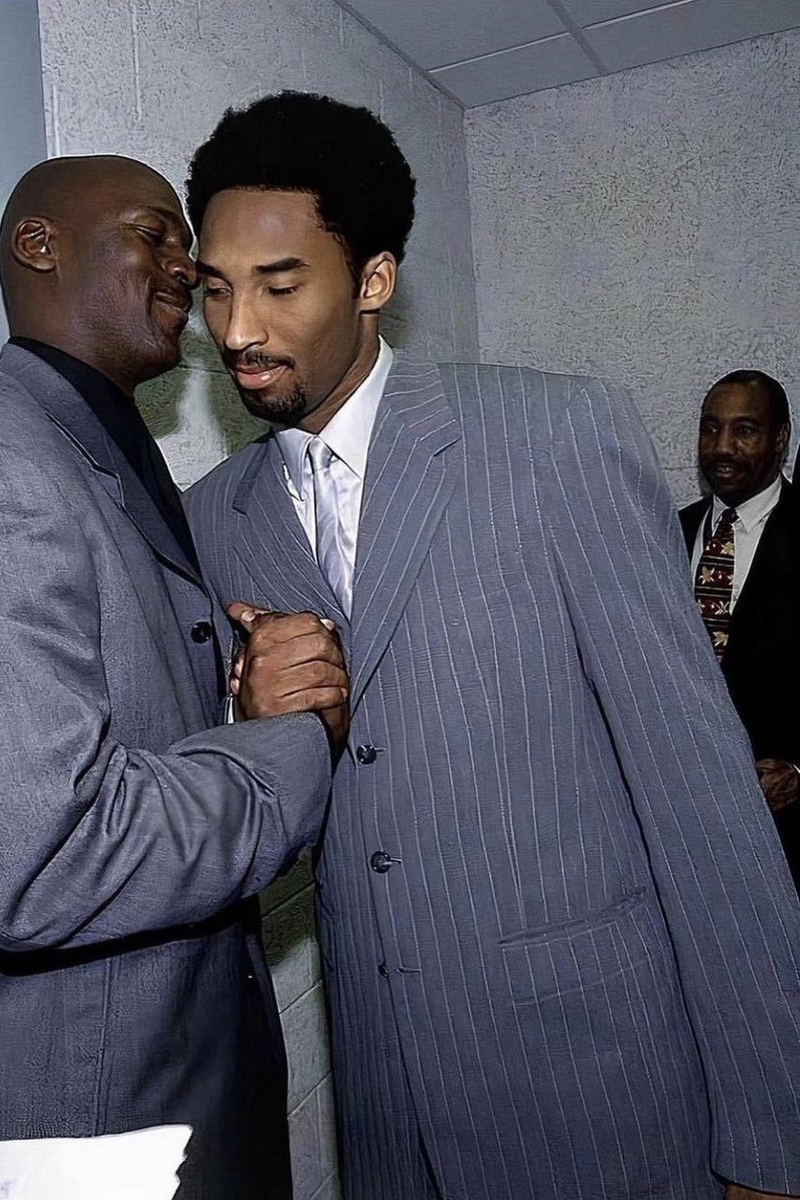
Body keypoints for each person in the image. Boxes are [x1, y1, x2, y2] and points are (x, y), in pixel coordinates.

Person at [183, 92, 800, 1200]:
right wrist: (248, 731)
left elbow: (699, 797)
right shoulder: (211, 518)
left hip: (597, 1086)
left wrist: (768, 1133)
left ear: (373, 279)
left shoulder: (554, 436)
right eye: (216, 291)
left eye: (280, 286)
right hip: (384, 1106)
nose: (237, 330)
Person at [0, 154, 349, 1200]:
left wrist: (243, 684)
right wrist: (289, 735)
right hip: (83, 1125)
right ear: (41, 247)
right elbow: (45, 857)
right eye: (153, 234)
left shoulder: (104, 461)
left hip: (183, 1088)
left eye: (188, 246)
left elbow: (131, 739)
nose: (186, 267)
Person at [680, 369, 800, 888]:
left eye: (744, 430)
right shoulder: (664, 533)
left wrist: (799, 773)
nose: (722, 447)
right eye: (710, 428)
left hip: (785, 835)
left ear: (780, 439)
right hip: (679, 821)